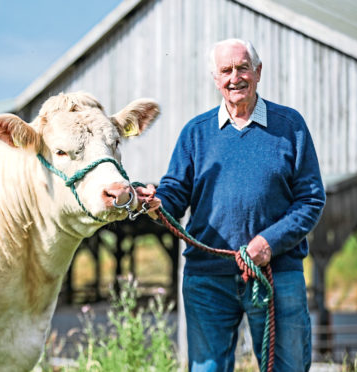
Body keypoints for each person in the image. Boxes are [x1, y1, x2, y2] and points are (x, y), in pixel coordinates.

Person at [136, 38, 326, 372]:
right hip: (208, 279)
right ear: (215, 78)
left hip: (276, 275)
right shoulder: (195, 133)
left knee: (289, 366)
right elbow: (175, 193)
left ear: (258, 71)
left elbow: (310, 199)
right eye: (226, 70)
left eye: (242, 68)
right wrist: (157, 202)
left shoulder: (290, 126)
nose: (234, 77)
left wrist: (269, 242)